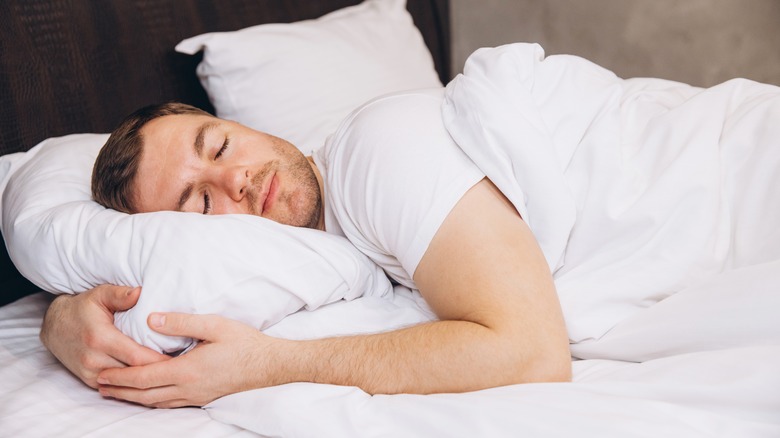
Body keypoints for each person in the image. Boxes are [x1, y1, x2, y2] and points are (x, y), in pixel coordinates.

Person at [40, 91, 571, 408]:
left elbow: (532, 351)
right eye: (201, 203)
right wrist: (60, 316)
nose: (236, 177)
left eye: (221, 146)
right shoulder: (318, 264)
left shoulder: (378, 150)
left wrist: (267, 365)